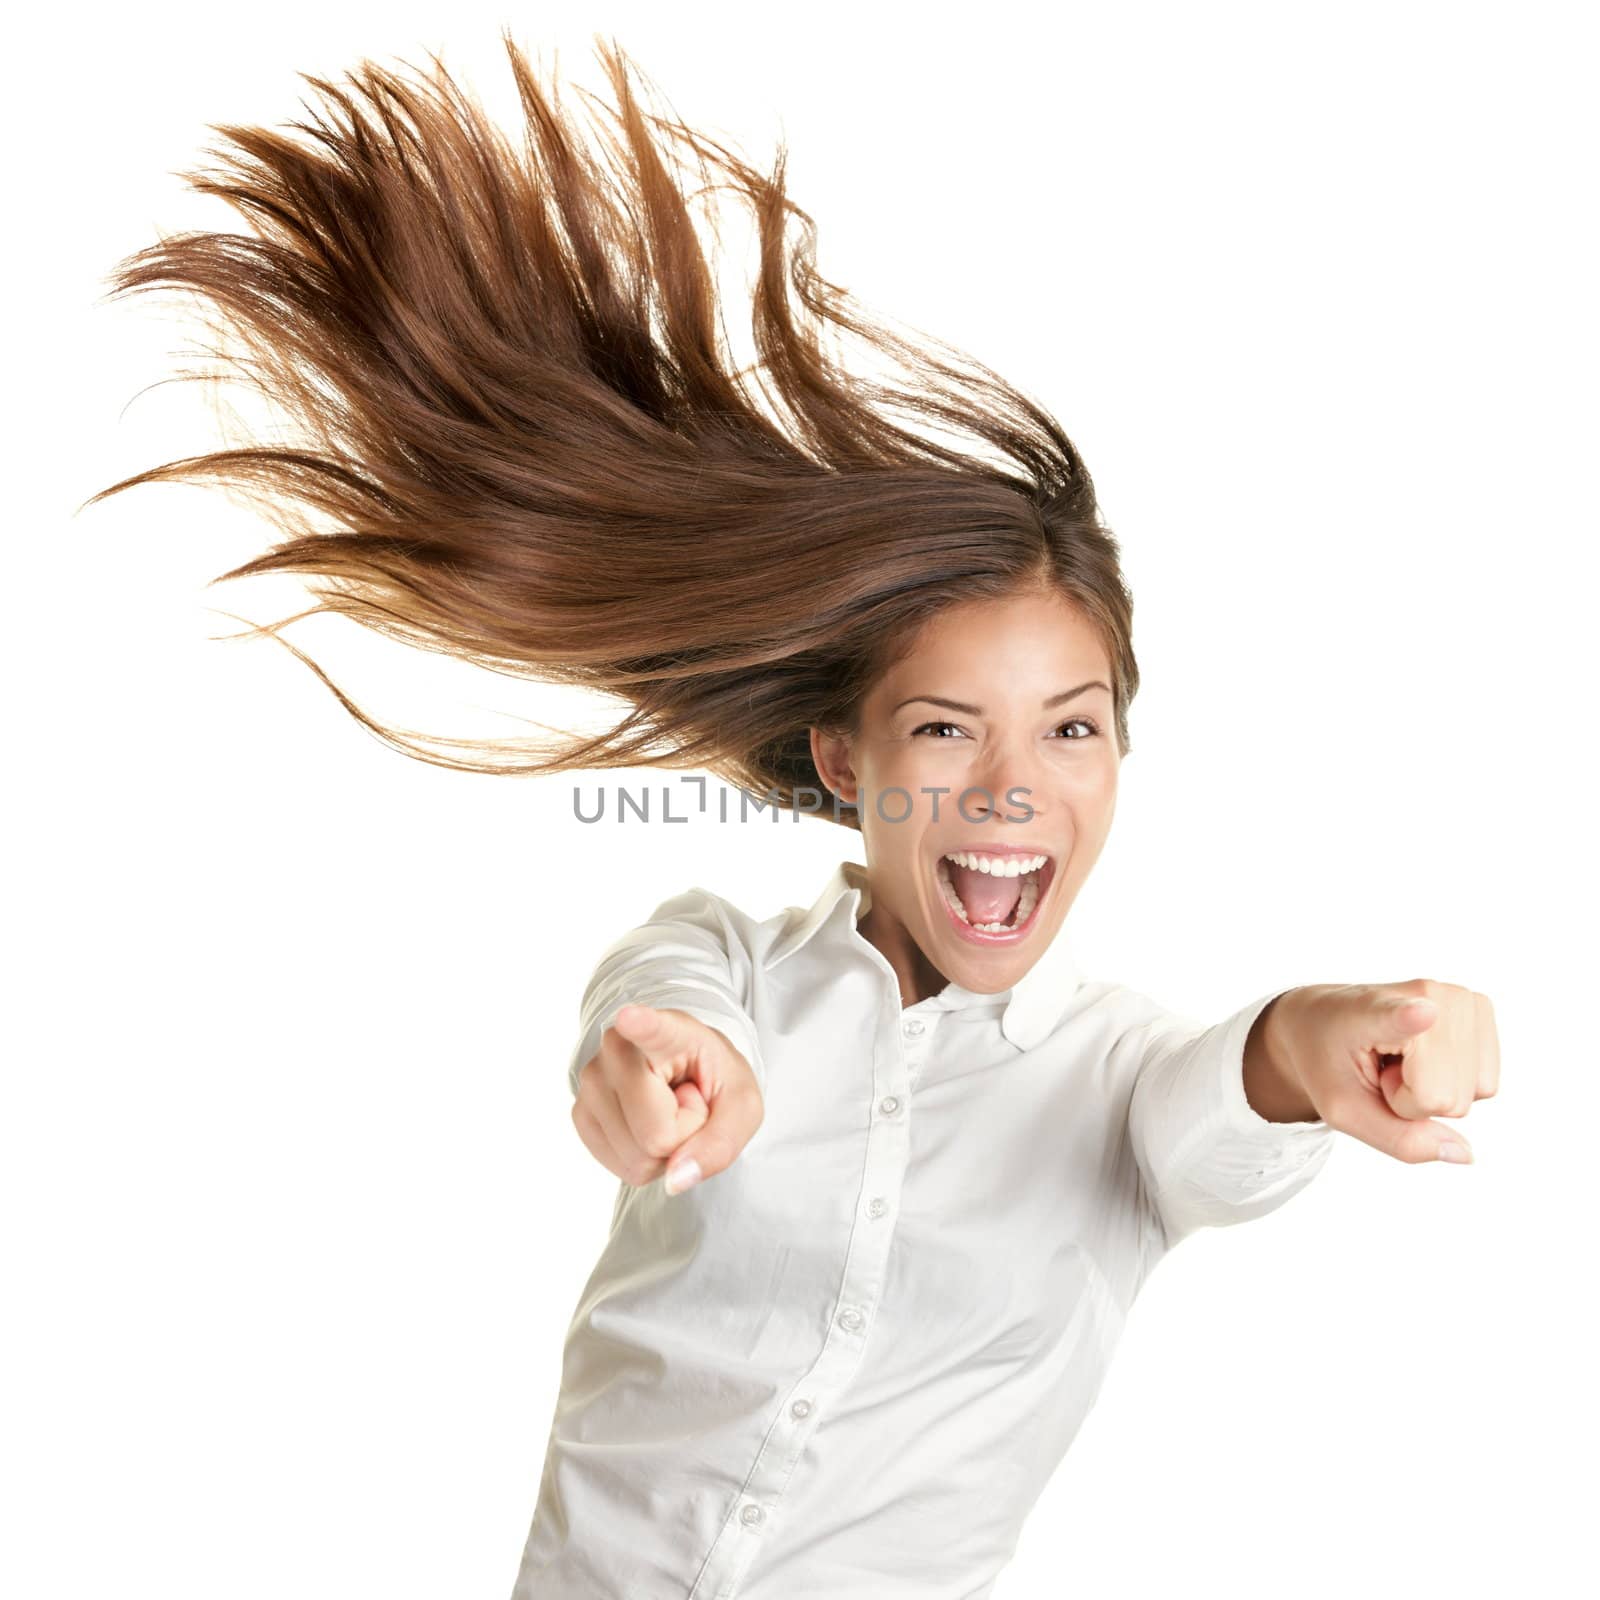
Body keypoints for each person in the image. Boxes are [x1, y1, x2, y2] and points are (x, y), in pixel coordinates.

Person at [82, 30, 1499, 1599]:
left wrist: (1337, 1031)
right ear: (848, 764)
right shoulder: (721, 964)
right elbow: (657, 1021)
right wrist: (660, 1080)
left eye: (1074, 730)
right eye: (948, 729)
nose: (1014, 787)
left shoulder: (1114, 1083)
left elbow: (1229, 1108)